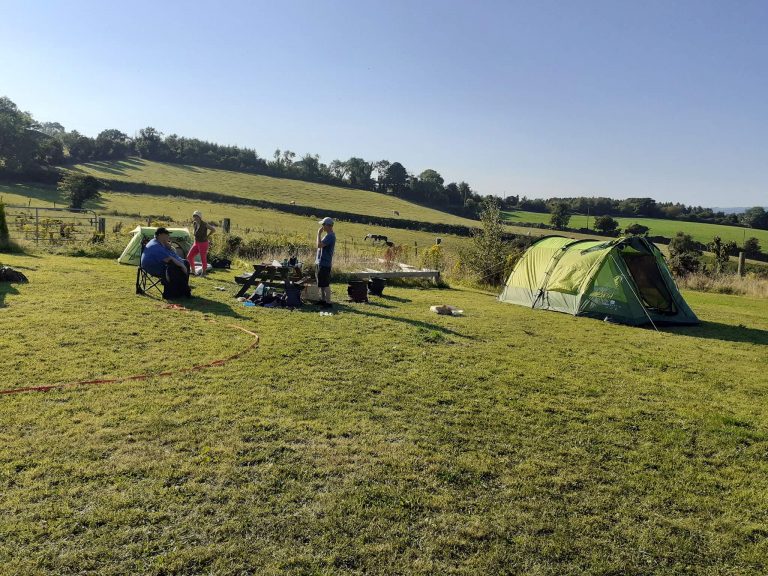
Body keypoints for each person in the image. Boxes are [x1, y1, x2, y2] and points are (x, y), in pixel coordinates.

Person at [140, 227, 191, 298]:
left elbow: (171, 256)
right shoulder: (156, 246)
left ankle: (182, 291)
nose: (168, 236)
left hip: (158, 264)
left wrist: (169, 248)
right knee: (175, 267)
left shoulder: (158, 243)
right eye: (166, 234)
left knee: (185, 263)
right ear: (160, 235)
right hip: (153, 267)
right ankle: (172, 294)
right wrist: (182, 266)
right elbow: (169, 259)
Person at [187, 210, 216, 276]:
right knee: (189, 256)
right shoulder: (194, 223)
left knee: (203, 258)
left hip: (203, 243)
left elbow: (213, 229)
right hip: (196, 243)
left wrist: (208, 236)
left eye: (196, 216)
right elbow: (195, 233)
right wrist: (195, 241)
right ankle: (193, 271)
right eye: (194, 216)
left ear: (200, 217)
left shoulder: (204, 224)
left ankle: (204, 272)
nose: (195, 218)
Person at [315, 216, 336, 308]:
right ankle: (323, 300)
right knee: (321, 283)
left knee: (325, 283)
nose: (322, 226)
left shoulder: (330, 236)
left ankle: (328, 302)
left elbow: (319, 245)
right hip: (321, 262)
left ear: (328, 225)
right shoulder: (328, 235)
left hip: (325, 263)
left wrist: (318, 234)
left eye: (323, 224)